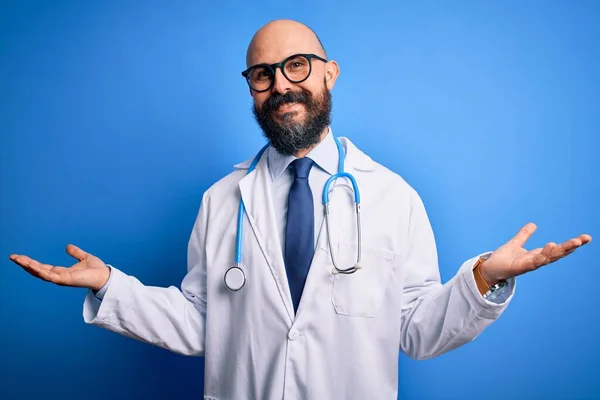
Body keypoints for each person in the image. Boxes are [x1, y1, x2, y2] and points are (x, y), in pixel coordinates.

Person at [9, 19, 592, 400]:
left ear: (329, 73)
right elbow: (199, 322)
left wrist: (484, 278)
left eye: (297, 66)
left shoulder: (392, 197)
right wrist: (111, 285)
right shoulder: (220, 202)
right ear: (251, 88)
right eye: (263, 74)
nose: (281, 85)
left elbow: (415, 330)